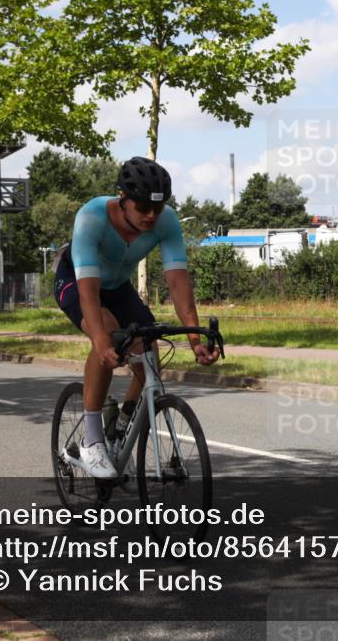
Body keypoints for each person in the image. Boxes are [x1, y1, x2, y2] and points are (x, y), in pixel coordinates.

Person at [53, 157, 219, 479]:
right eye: (143, 207)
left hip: (118, 287)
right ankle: (91, 439)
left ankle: (122, 424)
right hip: (77, 281)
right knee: (108, 333)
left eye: (157, 208)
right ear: (122, 199)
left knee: (149, 352)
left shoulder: (166, 222)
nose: (151, 216)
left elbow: (177, 283)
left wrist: (195, 340)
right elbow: (89, 292)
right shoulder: (91, 217)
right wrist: (100, 341)